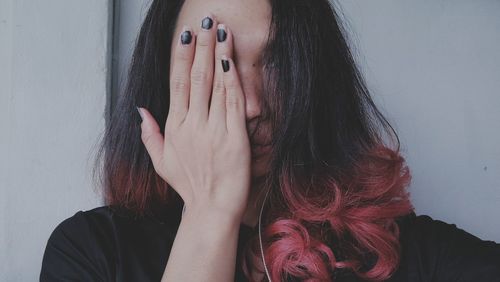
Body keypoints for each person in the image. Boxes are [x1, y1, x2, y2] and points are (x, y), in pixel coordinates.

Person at [40, 0, 500, 281]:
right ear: (165, 81)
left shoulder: (405, 253)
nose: (251, 105)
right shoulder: (91, 253)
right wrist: (209, 212)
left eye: (276, 62)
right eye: (215, 58)